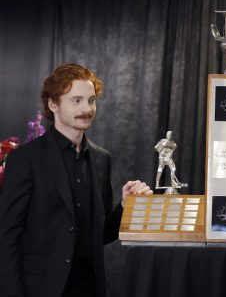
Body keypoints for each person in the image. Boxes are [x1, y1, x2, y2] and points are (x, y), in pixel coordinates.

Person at [0, 63, 153, 297]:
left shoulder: (102, 159)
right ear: (53, 105)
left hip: (88, 288)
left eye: (91, 100)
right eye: (76, 100)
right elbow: (7, 236)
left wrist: (124, 206)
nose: (87, 108)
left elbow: (100, 235)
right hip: (40, 289)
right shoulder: (24, 159)